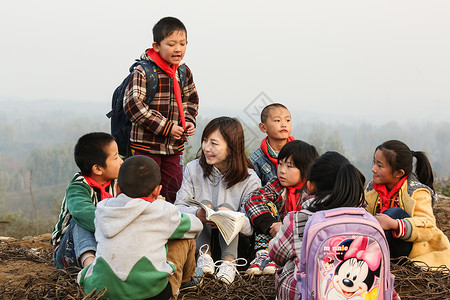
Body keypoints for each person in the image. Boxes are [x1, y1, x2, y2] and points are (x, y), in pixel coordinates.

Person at [78, 155, 203, 300]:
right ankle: (188, 281)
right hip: (153, 295)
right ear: (157, 191)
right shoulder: (162, 211)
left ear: (117, 188)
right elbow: (196, 227)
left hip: (101, 292)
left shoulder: (103, 209)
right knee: (184, 238)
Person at [268, 152, 366, 300]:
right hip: (358, 293)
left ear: (310, 186)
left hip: (308, 294)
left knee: (292, 258)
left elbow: (276, 254)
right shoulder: (366, 219)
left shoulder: (299, 219)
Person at [175, 117, 261, 284]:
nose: (206, 148)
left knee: (226, 208)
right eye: (205, 141)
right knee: (204, 205)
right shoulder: (194, 169)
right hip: (197, 243)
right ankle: (204, 258)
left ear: (231, 147)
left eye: (214, 143)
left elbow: (252, 227)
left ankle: (229, 263)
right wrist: (197, 214)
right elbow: (177, 208)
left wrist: (232, 218)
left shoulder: (250, 179)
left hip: (236, 246)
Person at [124, 16, 199, 203]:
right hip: (146, 146)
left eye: (182, 43)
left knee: (174, 191)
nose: (178, 49)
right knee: (144, 192)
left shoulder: (183, 71)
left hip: (174, 148)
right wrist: (167, 128)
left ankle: (170, 229)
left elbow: (191, 100)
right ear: (156, 46)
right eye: (171, 44)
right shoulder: (143, 70)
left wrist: (188, 122)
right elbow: (134, 106)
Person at [365, 140, 450, 268]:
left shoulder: (417, 192)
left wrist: (394, 224)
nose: (373, 169)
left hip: (409, 250)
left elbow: (428, 228)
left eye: (380, 165)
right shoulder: (372, 189)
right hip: (379, 244)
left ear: (399, 173)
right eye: (374, 162)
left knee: (394, 213)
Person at [244, 140, 318, 275]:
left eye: (289, 166)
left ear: (306, 169)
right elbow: (252, 199)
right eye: (280, 164)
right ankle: (264, 255)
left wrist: (285, 228)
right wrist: (271, 223)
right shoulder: (278, 185)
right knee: (266, 208)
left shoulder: (312, 191)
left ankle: (281, 260)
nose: (282, 171)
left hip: (298, 241)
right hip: (272, 238)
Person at [51, 132, 123, 269]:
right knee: (80, 219)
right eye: (115, 158)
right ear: (97, 169)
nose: (121, 161)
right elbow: (83, 212)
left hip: (104, 244)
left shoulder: (117, 183)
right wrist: (116, 227)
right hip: (69, 252)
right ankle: (89, 267)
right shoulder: (78, 187)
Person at [249, 103, 294, 186]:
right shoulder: (255, 161)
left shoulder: (300, 152)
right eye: (277, 120)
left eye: (287, 120)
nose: (284, 124)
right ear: (263, 127)